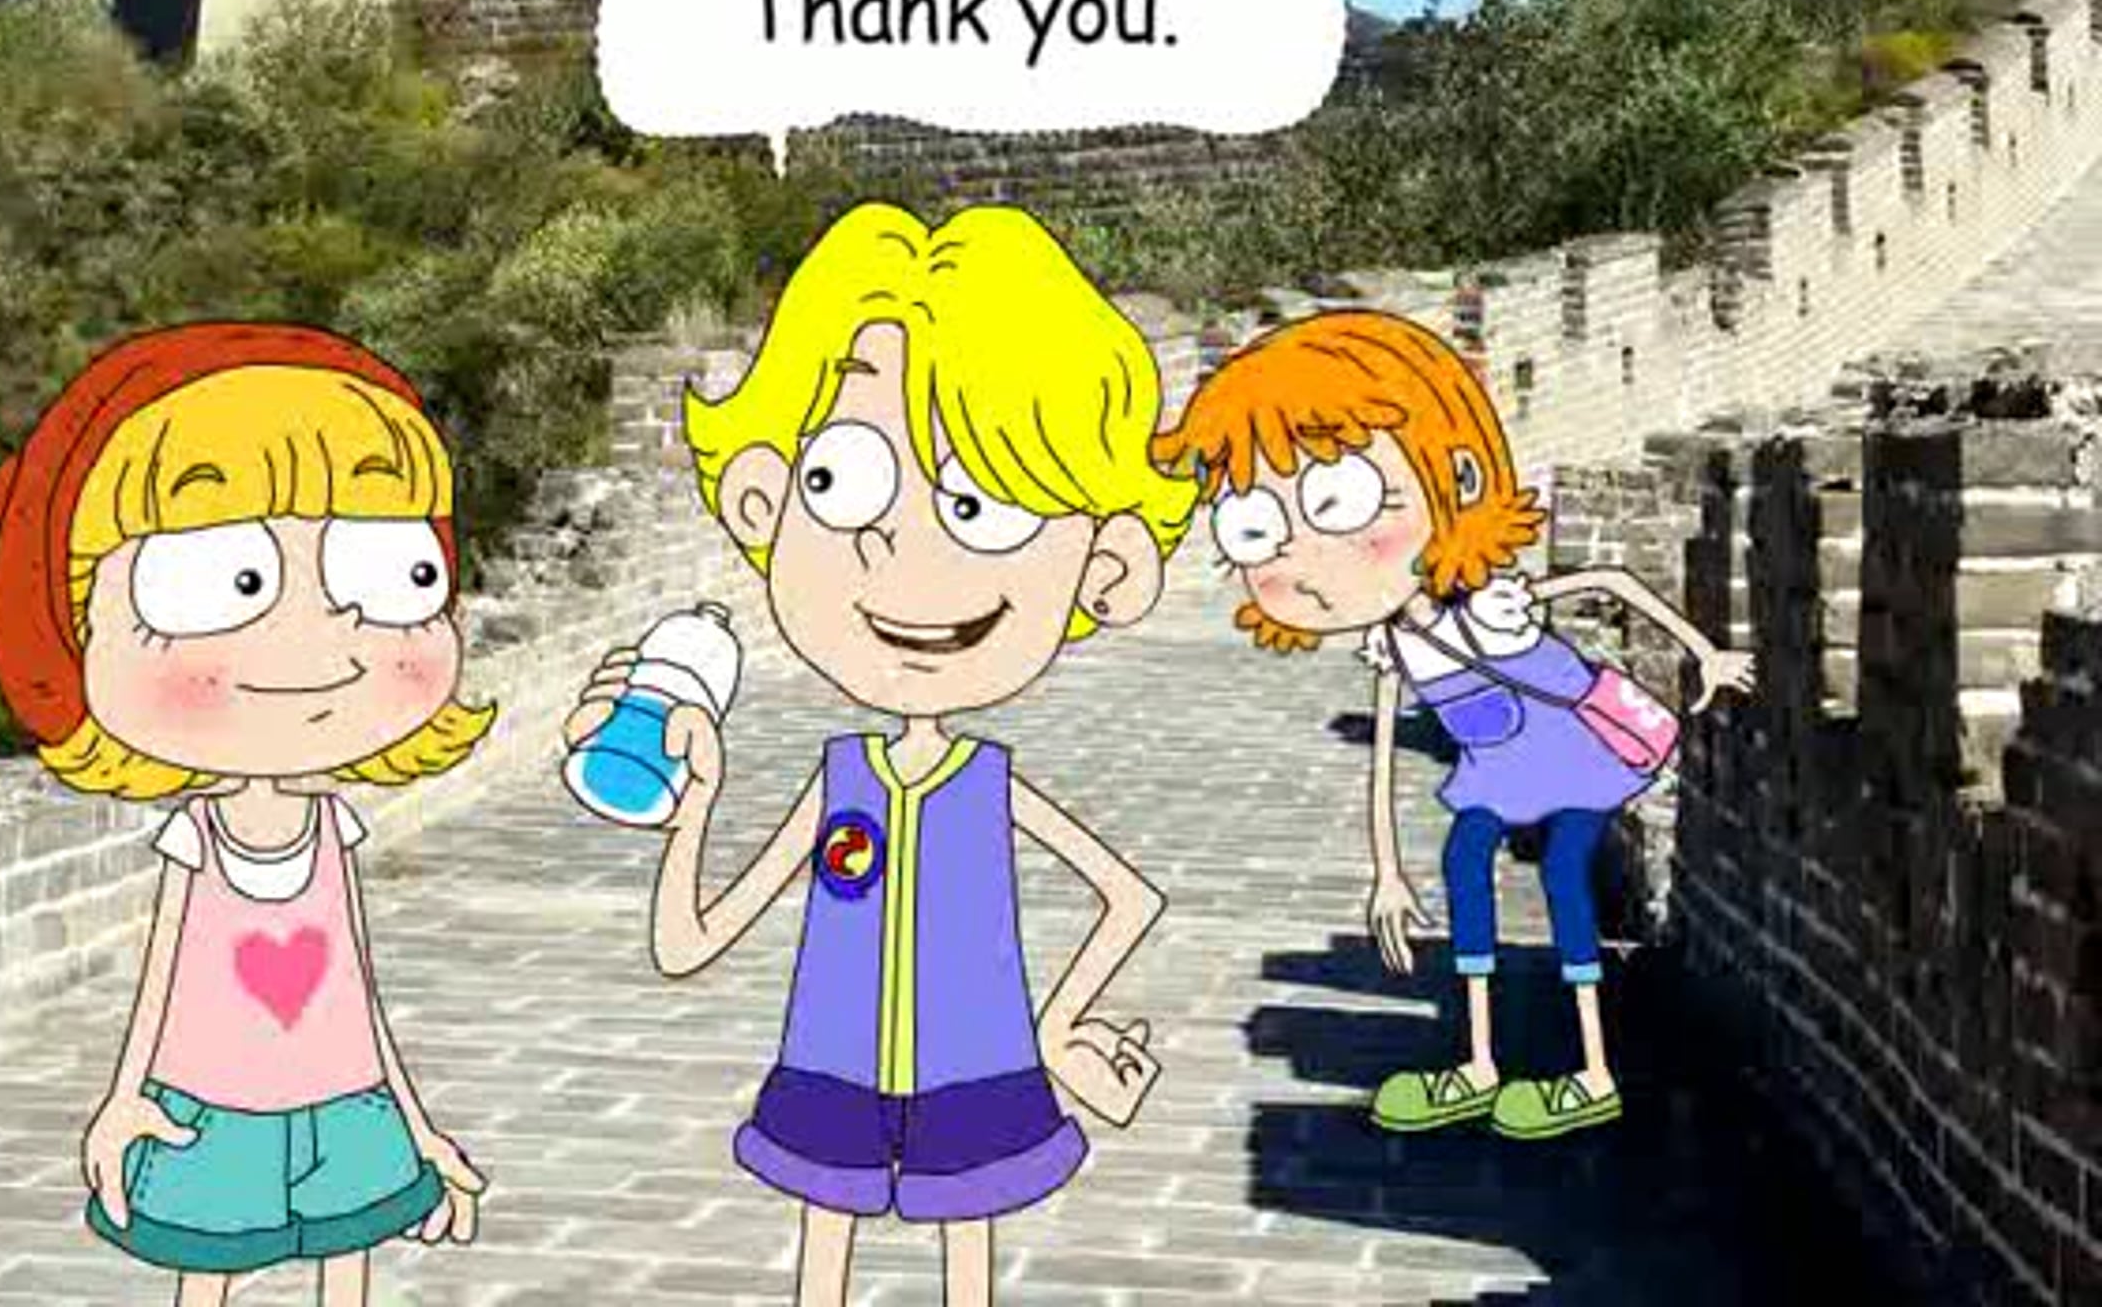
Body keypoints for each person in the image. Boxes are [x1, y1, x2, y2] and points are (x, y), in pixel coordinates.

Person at [565, 203, 1196, 1306]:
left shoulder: (987, 783)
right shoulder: (839, 780)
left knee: (966, 1271)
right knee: (826, 1266)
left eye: (986, 506)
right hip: (830, 1076)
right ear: (764, 500)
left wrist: (1050, 1032)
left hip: (981, 1076)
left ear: (1107, 568)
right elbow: (687, 944)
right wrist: (691, 809)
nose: (905, 549)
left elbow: (1130, 897)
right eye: (841, 481)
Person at [1152, 309, 1753, 1139]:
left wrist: (1706, 655)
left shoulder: (1492, 605)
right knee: (1465, 859)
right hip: (1497, 769)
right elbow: (1382, 759)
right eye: (1255, 530)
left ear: (1458, 479)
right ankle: (1476, 1062)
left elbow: (1609, 583)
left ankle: (1590, 1071)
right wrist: (1387, 873)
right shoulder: (1393, 644)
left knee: (1563, 870)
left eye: (1338, 503)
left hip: (1578, 750)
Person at [0, 322, 490, 1304]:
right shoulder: (198, 837)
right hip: (210, 1105)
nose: (318, 637)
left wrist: (414, 1119)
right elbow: (163, 974)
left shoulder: (333, 828)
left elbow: (357, 984)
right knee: (210, 1272)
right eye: (223, 583)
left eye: (392, 574)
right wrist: (123, 1098)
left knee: (348, 1267)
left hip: (347, 1097)